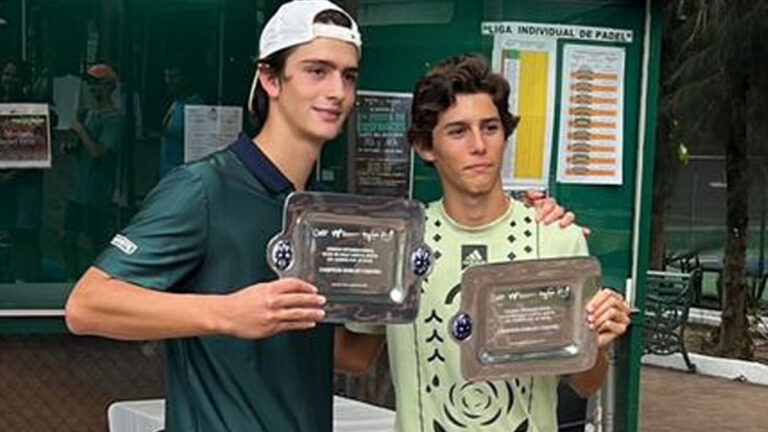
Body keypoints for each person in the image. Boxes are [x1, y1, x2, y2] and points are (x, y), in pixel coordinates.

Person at [65, 2, 572, 431]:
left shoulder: (330, 215)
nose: (336, 91)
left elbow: (352, 356)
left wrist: (416, 281)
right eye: (316, 71)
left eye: (347, 76)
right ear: (270, 78)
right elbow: (88, 306)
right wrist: (226, 314)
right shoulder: (203, 188)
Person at [347, 55, 631, 432]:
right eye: (458, 131)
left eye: (491, 127)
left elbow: (584, 382)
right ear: (425, 147)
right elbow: (353, 357)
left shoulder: (558, 239)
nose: (479, 145)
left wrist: (600, 343)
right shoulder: (397, 243)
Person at [62, 63, 123, 279]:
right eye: (90, 84)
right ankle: (72, 279)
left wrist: (80, 131)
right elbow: (83, 150)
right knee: (68, 237)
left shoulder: (114, 119)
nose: (92, 88)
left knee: (94, 242)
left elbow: (99, 151)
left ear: (108, 87)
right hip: (79, 189)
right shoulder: (88, 114)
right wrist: (72, 144)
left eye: (97, 84)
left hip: (97, 192)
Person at [0, 58, 43, 282]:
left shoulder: (31, 106)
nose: (8, 79)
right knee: (7, 230)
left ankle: (27, 278)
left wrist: (11, 175)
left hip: (26, 182)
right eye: (6, 74)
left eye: (13, 75)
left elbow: (34, 149)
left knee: (25, 232)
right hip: (4, 182)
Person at [157, 56, 205, 179]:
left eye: (173, 77)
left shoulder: (197, 110)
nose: (168, 81)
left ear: (187, 79)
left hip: (184, 179)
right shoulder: (175, 104)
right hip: (168, 177)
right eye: (166, 77)